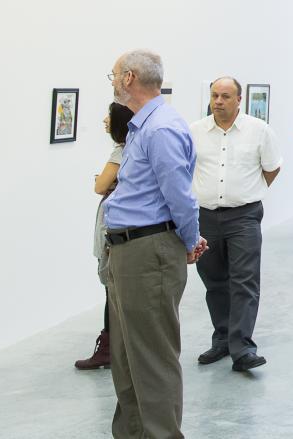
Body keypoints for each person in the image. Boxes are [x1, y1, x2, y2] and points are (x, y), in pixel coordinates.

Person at [102, 49, 208, 439]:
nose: (112, 82)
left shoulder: (160, 128)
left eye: (113, 75)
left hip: (148, 253)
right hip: (129, 252)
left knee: (152, 360)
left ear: (129, 78)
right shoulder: (142, 126)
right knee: (127, 360)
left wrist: (190, 240)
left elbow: (181, 197)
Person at [189, 76, 282, 372]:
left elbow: (272, 168)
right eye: (215, 95)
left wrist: (247, 193)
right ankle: (222, 340)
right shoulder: (195, 132)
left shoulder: (259, 131)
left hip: (244, 215)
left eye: (225, 96)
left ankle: (242, 347)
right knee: (214, 280)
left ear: (239, 100)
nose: (218, 101)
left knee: (244, 279)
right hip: (204, 217)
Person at [75, 102, 135, 371]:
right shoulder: (136, 146)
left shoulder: (121, 150)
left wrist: (105, 180)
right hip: (124, 224)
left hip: (115, 225)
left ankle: (110, 349)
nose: (104, 121)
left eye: (108, 116)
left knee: (112, 287)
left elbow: (100, 185)